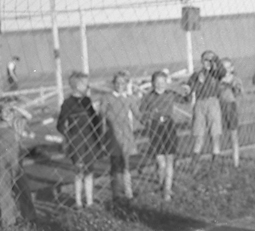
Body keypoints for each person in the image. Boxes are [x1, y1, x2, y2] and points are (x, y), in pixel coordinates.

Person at [56, 71, 101, 209]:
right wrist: (69, 136)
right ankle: (78, 201)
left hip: (90, 139)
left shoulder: (87, 101)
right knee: (78, 171)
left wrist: (99, 135)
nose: (88, 86)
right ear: (77, 86)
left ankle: (89, 201)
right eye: (85, 84)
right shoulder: (67, 103)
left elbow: (95, 120)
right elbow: (60, 124)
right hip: (77, 141)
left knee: (89, 171)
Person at [140, 70, 185, 201]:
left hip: (169, 126)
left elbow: (185, 100)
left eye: (162, 82)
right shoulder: (148, 97)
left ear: (166, 82)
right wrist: (149, 116)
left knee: (170, 159)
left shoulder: (170, 94)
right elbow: (141, 111)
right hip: (155, 127)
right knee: (161, 163)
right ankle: (162, 185)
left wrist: (188, 90)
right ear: (152, 83)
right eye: (157, 82)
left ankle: (167, 191)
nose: (160, 85)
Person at [0, 100, 37, 226]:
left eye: (9, 111)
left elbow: (29, 116)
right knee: (3, 190)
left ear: (14, 112)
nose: (7, 113)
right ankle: (8, 221)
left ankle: (29, 216)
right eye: (3, 111)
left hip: (15, 161)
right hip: (0, 161)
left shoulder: (17, 123)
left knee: (21, 188)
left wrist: (16, 107)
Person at [99, 70, 141, 201]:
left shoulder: (129, 98)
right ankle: (116, 193)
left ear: (126, 84)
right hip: (113, 133)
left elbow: (137, 114)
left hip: (126, 133)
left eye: (122, 83)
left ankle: (128, 191)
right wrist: (104, 117)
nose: (119, 85)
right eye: (117, 83)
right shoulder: (107, 97)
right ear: (113, 83)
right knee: (115, 163)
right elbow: (101, 113)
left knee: (126, 163)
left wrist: (149, 119)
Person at [187, 50, 226, 170]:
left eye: (211, 60)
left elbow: (222, 72)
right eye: (206, 60)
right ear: (201, 61)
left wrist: (216, 59)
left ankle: (215, 162)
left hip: (213, 102)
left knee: (215, 134)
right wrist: (198, 83)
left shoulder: (216, 73)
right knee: (198, 134)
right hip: (200, 103)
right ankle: (195, 163)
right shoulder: (196, 75)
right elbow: (189, 90)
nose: (208, 62)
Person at [219, 57, 244, 168]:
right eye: (223, 68)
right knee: (218, 134)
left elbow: (239, 93)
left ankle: (236, 162)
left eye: (228, 67)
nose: (226, 70)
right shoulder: (218, 80)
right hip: (220, 107)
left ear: (232, 68)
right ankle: (218, 159)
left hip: (231, 106)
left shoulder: (235, 79)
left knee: (233, 135)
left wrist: (233, 86)